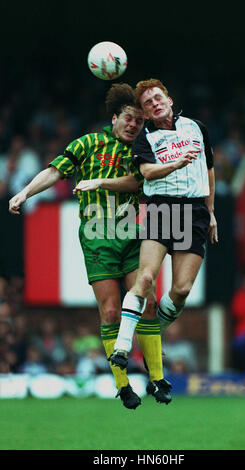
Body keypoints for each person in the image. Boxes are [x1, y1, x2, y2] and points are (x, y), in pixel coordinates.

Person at [8, 83, 167, 409]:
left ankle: (157, 378)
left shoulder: (141, 148)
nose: (134, 125)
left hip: (132, 233)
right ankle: (123, 387)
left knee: (147, 301)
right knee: (110, 311)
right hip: (97, 237)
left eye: (139, 120)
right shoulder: (89, 143)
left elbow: (139, 181)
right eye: (129, 119)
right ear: (114, 118)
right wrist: (25, 192)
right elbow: (55, 171)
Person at [110, 79, 218, 396]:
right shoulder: (145, 137)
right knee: (144, 278)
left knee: (181, 290)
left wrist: (211, 211)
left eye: (158, 98)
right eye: (148, 103)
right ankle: (122, 347)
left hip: (195, 211)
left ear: (169, 99)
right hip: (161, 209)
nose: (155, 103)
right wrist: (174, 163)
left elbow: (208, 168)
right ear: (144, 111)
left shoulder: (196, 127)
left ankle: (152, 335)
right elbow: (146, 173)